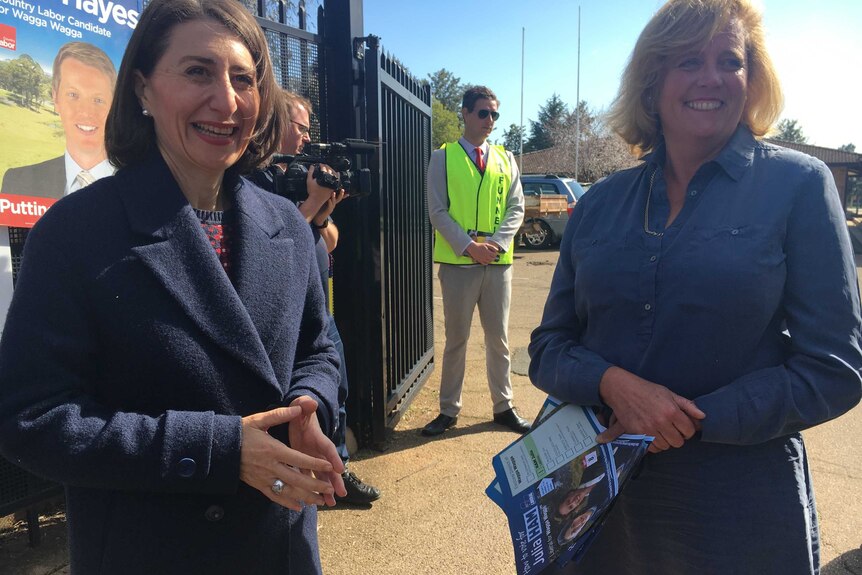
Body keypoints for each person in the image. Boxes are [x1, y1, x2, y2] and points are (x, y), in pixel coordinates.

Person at [0, 1, 347, 573]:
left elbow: (319, 347)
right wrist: (218, 451)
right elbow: (32, 418)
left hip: (279, 548)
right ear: (142, 89)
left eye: (244, 78)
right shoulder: (75, 232)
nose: (227, 100)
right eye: (197, 72)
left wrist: (311, 403)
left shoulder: (286, 223)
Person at [528, 1, 862, 573]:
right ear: (653, 80)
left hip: (739, 507)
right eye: (688, 61)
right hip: (603, 501)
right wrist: (614, 385)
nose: (711, 77)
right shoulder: (598, 205)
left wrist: (686, 419)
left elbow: (834, 368)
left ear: (751, 80)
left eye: (729, 61)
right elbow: (549, 347)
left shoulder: (797, 186)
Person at [264, 89, 381, 506]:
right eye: (300, 127)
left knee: (335, 389)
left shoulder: (302, 175)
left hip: (317, 304)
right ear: (275, 123)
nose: (305, 136)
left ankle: (337, 470)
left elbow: (329, 241)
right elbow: (274, 247)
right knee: (294, 400)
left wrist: (323, 208)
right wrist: (312, 202)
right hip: (283, 310)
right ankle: (300, 474)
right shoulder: (263, 180)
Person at [423, 85, 529, 437]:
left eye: (495, 114)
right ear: (465, 114)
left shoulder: (505, 158)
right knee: (456, 339)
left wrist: (495, 245)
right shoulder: (443, 157)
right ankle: (448, 410)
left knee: (498, 339)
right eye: (483, 113)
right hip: (459, 265)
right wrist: (470, 247)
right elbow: (437, 211)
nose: (489, 121)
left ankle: (504, 407)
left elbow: (517, 207)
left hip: (497, 265)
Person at [1, 42, 116, 198]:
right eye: (73, 95)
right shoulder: (18, 183)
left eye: (98, 100)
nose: (87, 112)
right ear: (56, 98)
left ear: (113, 105)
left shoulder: (142, 189)